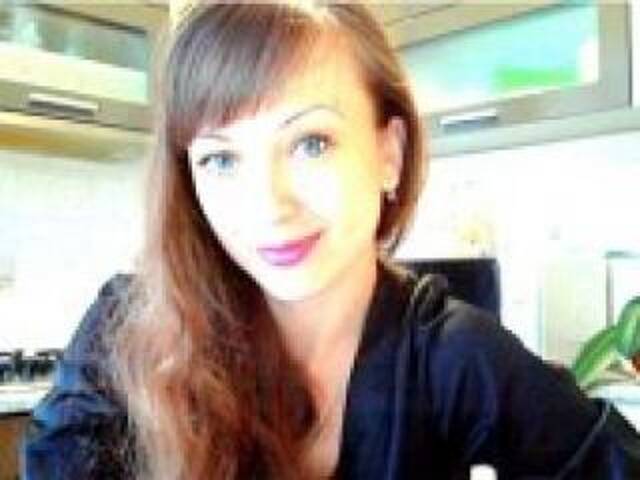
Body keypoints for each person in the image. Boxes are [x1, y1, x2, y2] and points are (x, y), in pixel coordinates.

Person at [21, 2, 640, 479]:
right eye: (221, 160)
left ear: (389, 154)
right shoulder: (125, 334)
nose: (268, 205)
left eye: (310, 143)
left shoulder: (455, 357)